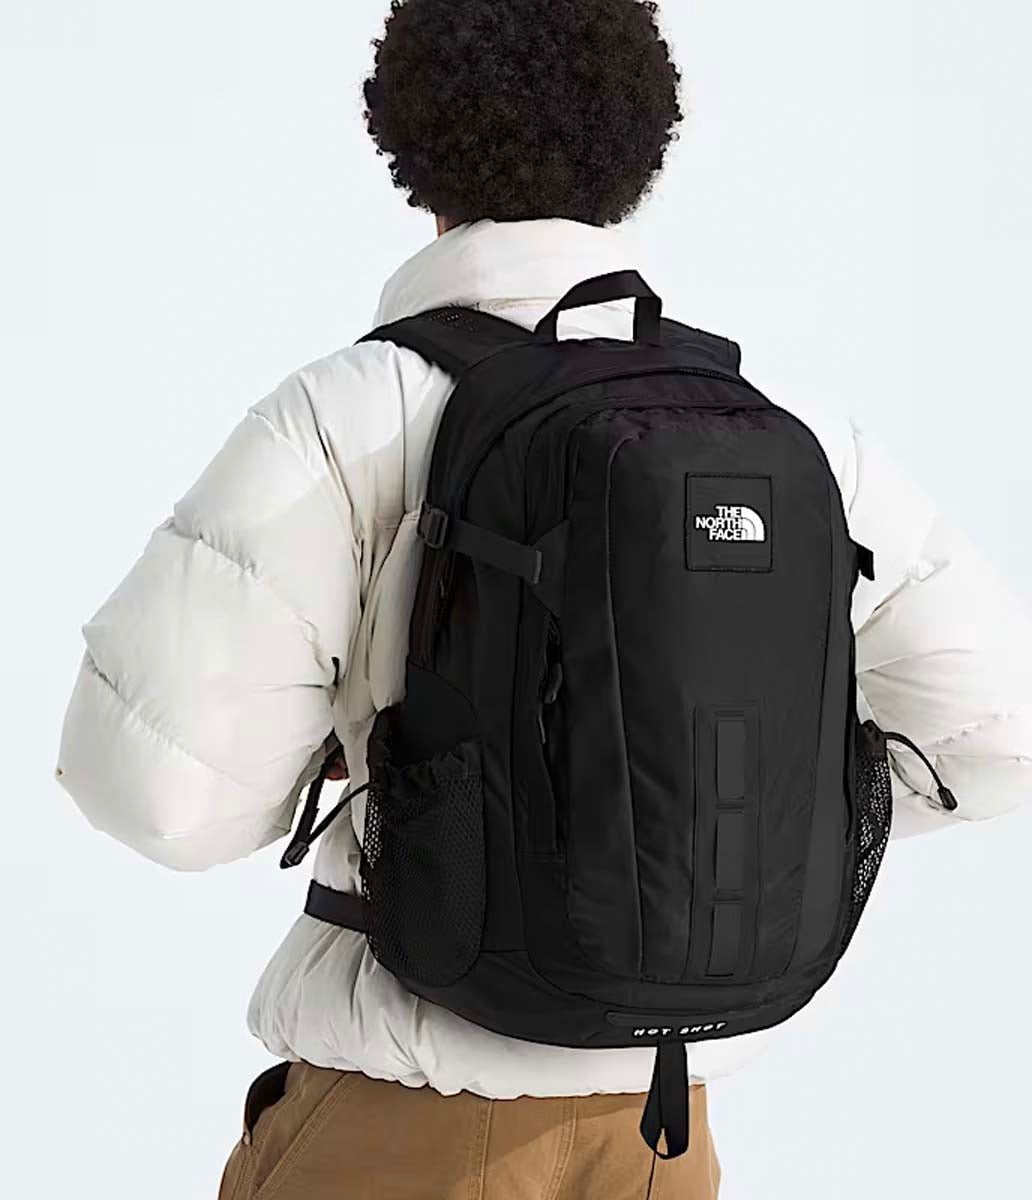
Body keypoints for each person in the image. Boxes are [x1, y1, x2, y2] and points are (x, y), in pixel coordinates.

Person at [55, 2, 1032, 1198]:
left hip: (405, 1130)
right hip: (666, 1143)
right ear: (635, 146)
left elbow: (155, 793)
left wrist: (384, 782)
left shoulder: (348, 413)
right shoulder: (791, 432)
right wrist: (717, 810)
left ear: (412, 144)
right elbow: (1002, 737)